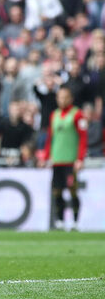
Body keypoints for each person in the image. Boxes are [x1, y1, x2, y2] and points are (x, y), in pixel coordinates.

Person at [40, 87, 87, 231]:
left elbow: (83, 137)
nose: (62, 100)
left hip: (71, 160)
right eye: (59, 97)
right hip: (57, 160)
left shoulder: (77, 114)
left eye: (65, 97)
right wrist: (46, 156)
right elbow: (50, 138)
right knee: (57, 191)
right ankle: (60, 221)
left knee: (72, 190)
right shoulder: (54, 114)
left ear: (71, 98)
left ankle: (75, 221)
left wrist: (80, 158)